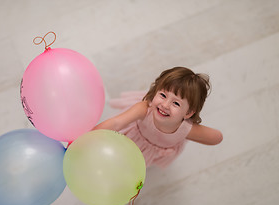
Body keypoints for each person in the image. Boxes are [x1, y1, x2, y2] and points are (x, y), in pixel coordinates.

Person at [93, 66, 223, 168]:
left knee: (135, 163)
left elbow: (217, 138)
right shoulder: (144, 109)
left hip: (154, 149)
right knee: (117, 153)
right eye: (163, 95)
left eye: (176, 103)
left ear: (188, 113)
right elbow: (116, 123)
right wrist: (87, 138)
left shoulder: (185, 128)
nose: (165, 105)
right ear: (156, 92)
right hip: (135, 135)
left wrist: (190, 132)